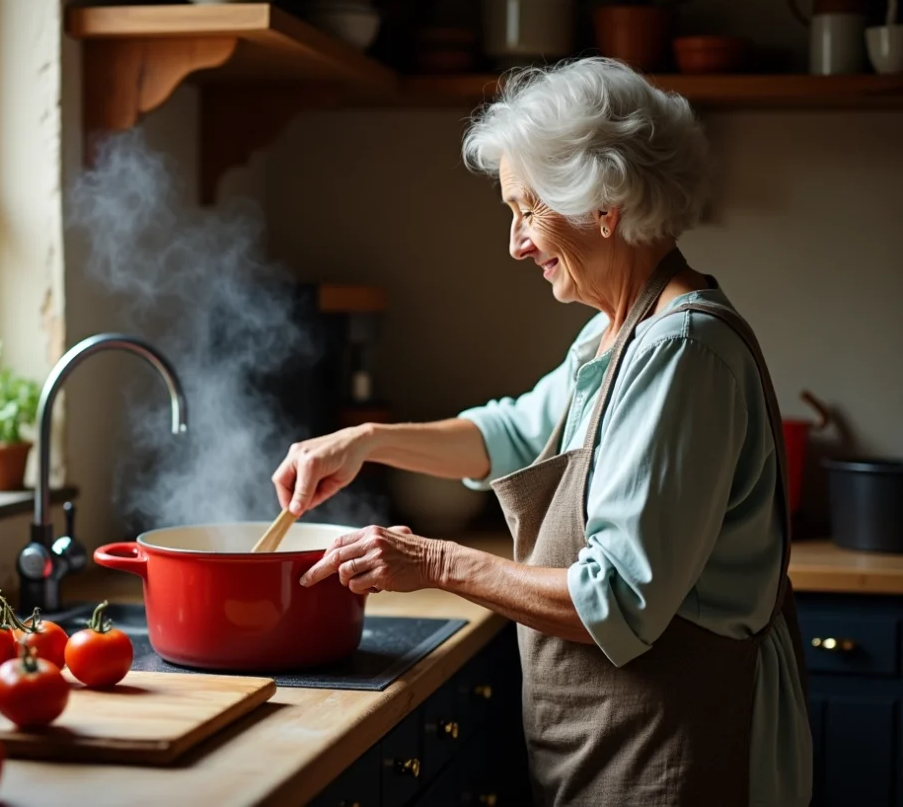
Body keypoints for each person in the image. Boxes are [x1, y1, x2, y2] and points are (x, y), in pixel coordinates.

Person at [271, 57, 812, 806]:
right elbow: (511, 432)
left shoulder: (681, 354)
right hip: (616, 741)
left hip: (676, 751)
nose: (517, 242)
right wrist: (364, 439)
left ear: (604, 206)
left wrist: (434, 560)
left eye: (527, 208)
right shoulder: (614, 334)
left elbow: (612, 598)